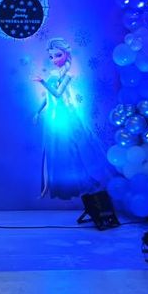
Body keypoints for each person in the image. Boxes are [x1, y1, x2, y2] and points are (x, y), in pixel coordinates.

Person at [32, 37, 107, 199]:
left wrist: (43, 82)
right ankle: (57, 186)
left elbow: (57, 94)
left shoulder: (68, 75)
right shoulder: (53, 74)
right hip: (53, 116)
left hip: (65, 115)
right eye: (51, 57)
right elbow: (48, 98)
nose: (54, 60)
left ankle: (81, 185)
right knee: (55, 151)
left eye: (58, 55)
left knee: (70, 150)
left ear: (66, 54)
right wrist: (38, 111)